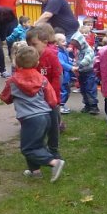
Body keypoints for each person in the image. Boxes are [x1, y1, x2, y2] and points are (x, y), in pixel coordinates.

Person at [0, 45, 65, 182]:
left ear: (16, 62)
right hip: (46, 116)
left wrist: (15, 96)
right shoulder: (43, 79)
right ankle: (35, 171)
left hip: (30, 119)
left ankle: (53, 162)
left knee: (28, 148)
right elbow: (52, 100)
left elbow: (5, 98)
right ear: (37, 63)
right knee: (37, 144)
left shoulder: (13, 81)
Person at [26, 24, 63, 160]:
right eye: (29, 44)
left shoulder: (50, 55)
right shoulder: (29, 57)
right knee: (40, 125)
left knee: (54, 124)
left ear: (45, 43)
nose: (31, 48)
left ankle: (53, 149)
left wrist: (54, 97)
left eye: (34, 44)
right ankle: (40, 148)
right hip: (36, 99)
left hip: (51, 98)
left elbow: (56, 76)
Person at [70, 32, 99, 115]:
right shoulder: (79, 51)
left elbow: (87, 59)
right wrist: (75, 64)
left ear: (82, 42)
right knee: (83, 89)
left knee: (90, 89)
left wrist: (80, 65)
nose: (77, 47)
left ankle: (93, 105)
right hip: (81, 72)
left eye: (77, 45)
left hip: (89, 72)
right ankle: (87, 104)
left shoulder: (89, 50)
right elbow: (77, 59)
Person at [54, 33, 74, 114]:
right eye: (63, 41)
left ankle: (62, 104)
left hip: (66, 75)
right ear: (56, 43)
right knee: (63, 91)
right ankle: (60, 106)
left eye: (65, 41)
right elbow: (61, 63)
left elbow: (67, 60)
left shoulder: (64, 50)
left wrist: (73, 62)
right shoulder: (58, 52)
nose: (65, 43)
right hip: (62, 75)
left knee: (67, 91)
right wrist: (71, 67)